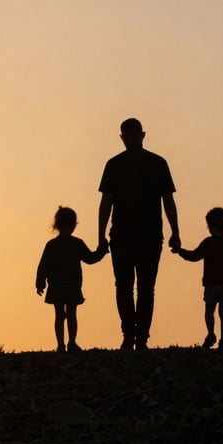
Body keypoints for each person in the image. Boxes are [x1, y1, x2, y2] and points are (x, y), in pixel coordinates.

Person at [97, 117, 180, 350]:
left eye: (135, 136)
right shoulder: (113, 165)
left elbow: (168, 200)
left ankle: (141, 337)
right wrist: (101, 235)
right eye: (127, 137)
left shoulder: (158, 164)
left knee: (145, 288)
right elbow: (106, 202)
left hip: (150, 236)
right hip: (121, 236)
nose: (131, 141)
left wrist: (176, 232)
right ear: (122, 138)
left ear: (143, 136)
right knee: (123, 286)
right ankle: (128, 334)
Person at [35, 206, 106, 352]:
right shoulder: (77, 243)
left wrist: (40, 282)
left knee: (59, 315)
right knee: (71, 314)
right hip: (72, 285)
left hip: (56, 285)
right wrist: (101, 252)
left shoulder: (52, 245)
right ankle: (71, 342)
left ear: (57, 225)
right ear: (73, 225)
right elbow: (90, 258)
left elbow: (43, 266)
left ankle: (61, 344)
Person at [176, 206, 223, 349]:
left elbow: (194, 256)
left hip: (212, 285)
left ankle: (211, 334)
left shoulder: (208, 243)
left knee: (209, 312)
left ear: (212, 225)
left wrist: (180, 252)